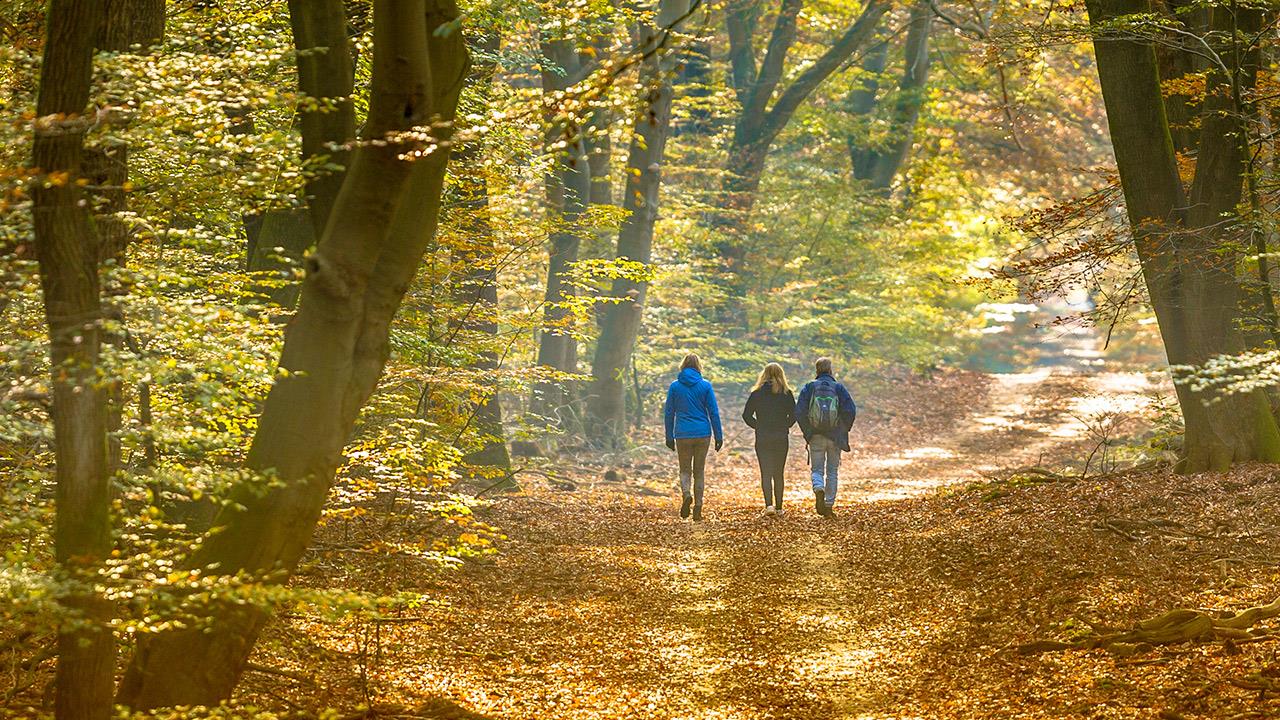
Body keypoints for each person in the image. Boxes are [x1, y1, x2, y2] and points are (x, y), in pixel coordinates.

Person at [663, 353, 723, 521]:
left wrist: (669, 436)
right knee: (699, 471)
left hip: (682, 433)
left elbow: (669, 413)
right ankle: (698, 507)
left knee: (685, 469)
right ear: (698, 366)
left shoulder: (675, 386)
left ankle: (686, 494)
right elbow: (713, 412)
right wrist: (719, 436)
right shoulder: (705, 386)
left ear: (683, 366)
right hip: (703, 433)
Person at [795, 357, 856, 518]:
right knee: (832, 471)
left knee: (817, 469)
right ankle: (828, 506)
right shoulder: (838, 388)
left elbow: (799, 412)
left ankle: (818, 488)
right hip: (835, 437)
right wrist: (842, 431)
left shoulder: (809, 387)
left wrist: (808, 431)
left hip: (815, 436)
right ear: (830, 370)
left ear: (817, 370)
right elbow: (850, 411)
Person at [742, 363, 796, 515]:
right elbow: (794, 415)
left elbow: (746, 415)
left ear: (764, 375)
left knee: (766, 472)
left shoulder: (757, 393)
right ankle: (779, 508)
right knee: (778, 473)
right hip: (781, 437)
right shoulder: (786, 393)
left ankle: (769, 506)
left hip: (763, 437)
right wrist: (785, 426)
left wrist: (758, 426)